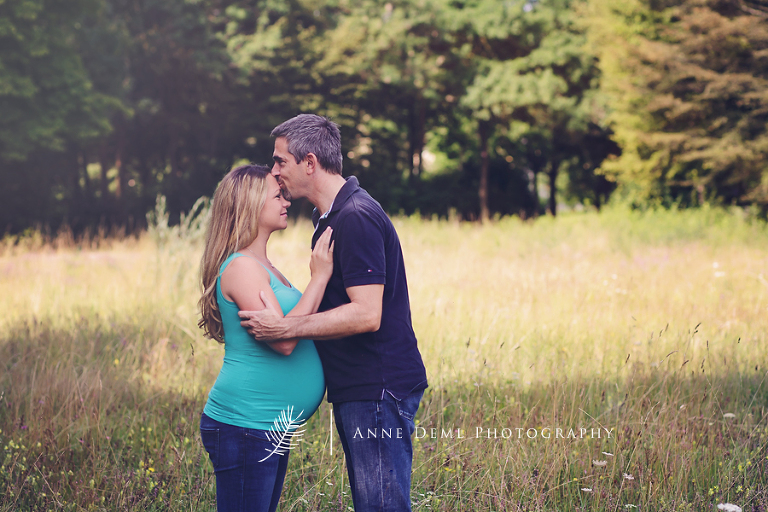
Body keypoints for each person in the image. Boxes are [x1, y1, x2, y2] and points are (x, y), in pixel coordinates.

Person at [238, 114, 428, 512]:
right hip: (359, 388)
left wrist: (286, 327)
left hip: (378, 388)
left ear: (309, 163)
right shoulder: (327, 217)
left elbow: (366, 314)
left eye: (280, 161)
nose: (274, 171)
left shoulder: (355, 217)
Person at [197, 164, 334, 512]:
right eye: (277, 195)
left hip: (265, 427)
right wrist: (319, 278)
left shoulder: (263, 266)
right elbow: (284, 340)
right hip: (245, 424)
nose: (286, 201)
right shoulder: (242, 267)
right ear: (251, 205)